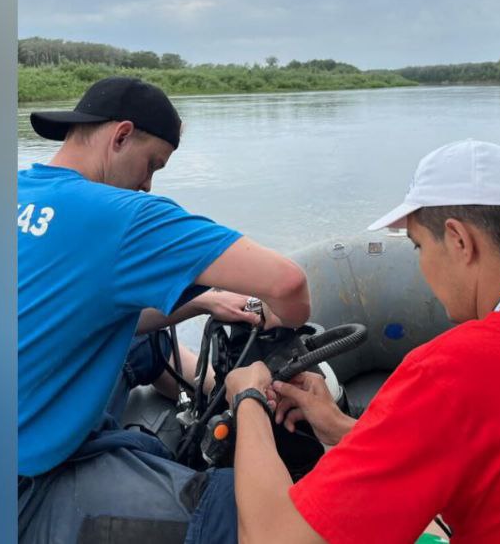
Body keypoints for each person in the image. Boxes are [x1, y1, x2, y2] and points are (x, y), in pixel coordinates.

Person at [224, 139, 500, 543]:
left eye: (417, 247)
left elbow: (271, 536)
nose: (422, 266)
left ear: (458, 240)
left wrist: (248, 400)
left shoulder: (454, 369)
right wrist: (338, 427)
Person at [18, 76, 311, 542]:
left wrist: (203, 301)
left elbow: (67, 309)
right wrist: (282, 330)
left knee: (135, 333)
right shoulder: (121, 215)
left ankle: (214, 388)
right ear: (120, 136)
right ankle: (241, 397)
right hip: (23, 489)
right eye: (151, 164)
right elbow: (288, 283)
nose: (147, 186)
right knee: (237, 508)